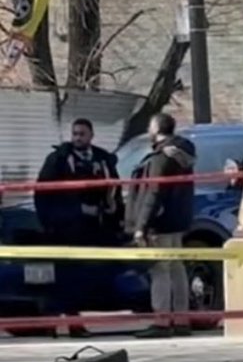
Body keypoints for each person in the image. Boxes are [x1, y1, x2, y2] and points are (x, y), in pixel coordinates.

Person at [33, 118, 124, 337]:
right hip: (65, 228)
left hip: (95, 226)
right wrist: (51, 222)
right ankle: (59, 323)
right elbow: (42, 193)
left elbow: (115, 190)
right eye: (75, 134)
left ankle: (78, 318)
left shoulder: (103, 160)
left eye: (82, 134)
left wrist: (115, 214)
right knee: (64, 275)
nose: (77, 138)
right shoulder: (59, 159)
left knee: (86, 275)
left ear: (91, 135)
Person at [127, 113, 197, 339]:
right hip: (178, 221)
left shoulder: (160, 157)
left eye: (150, 125)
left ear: (156, 128)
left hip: (161, 223)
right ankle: (182, 319)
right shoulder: (183, 154)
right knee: (177, 268)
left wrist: (141, 226)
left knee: (160, 270)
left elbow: (153, 193)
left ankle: (162, 321)